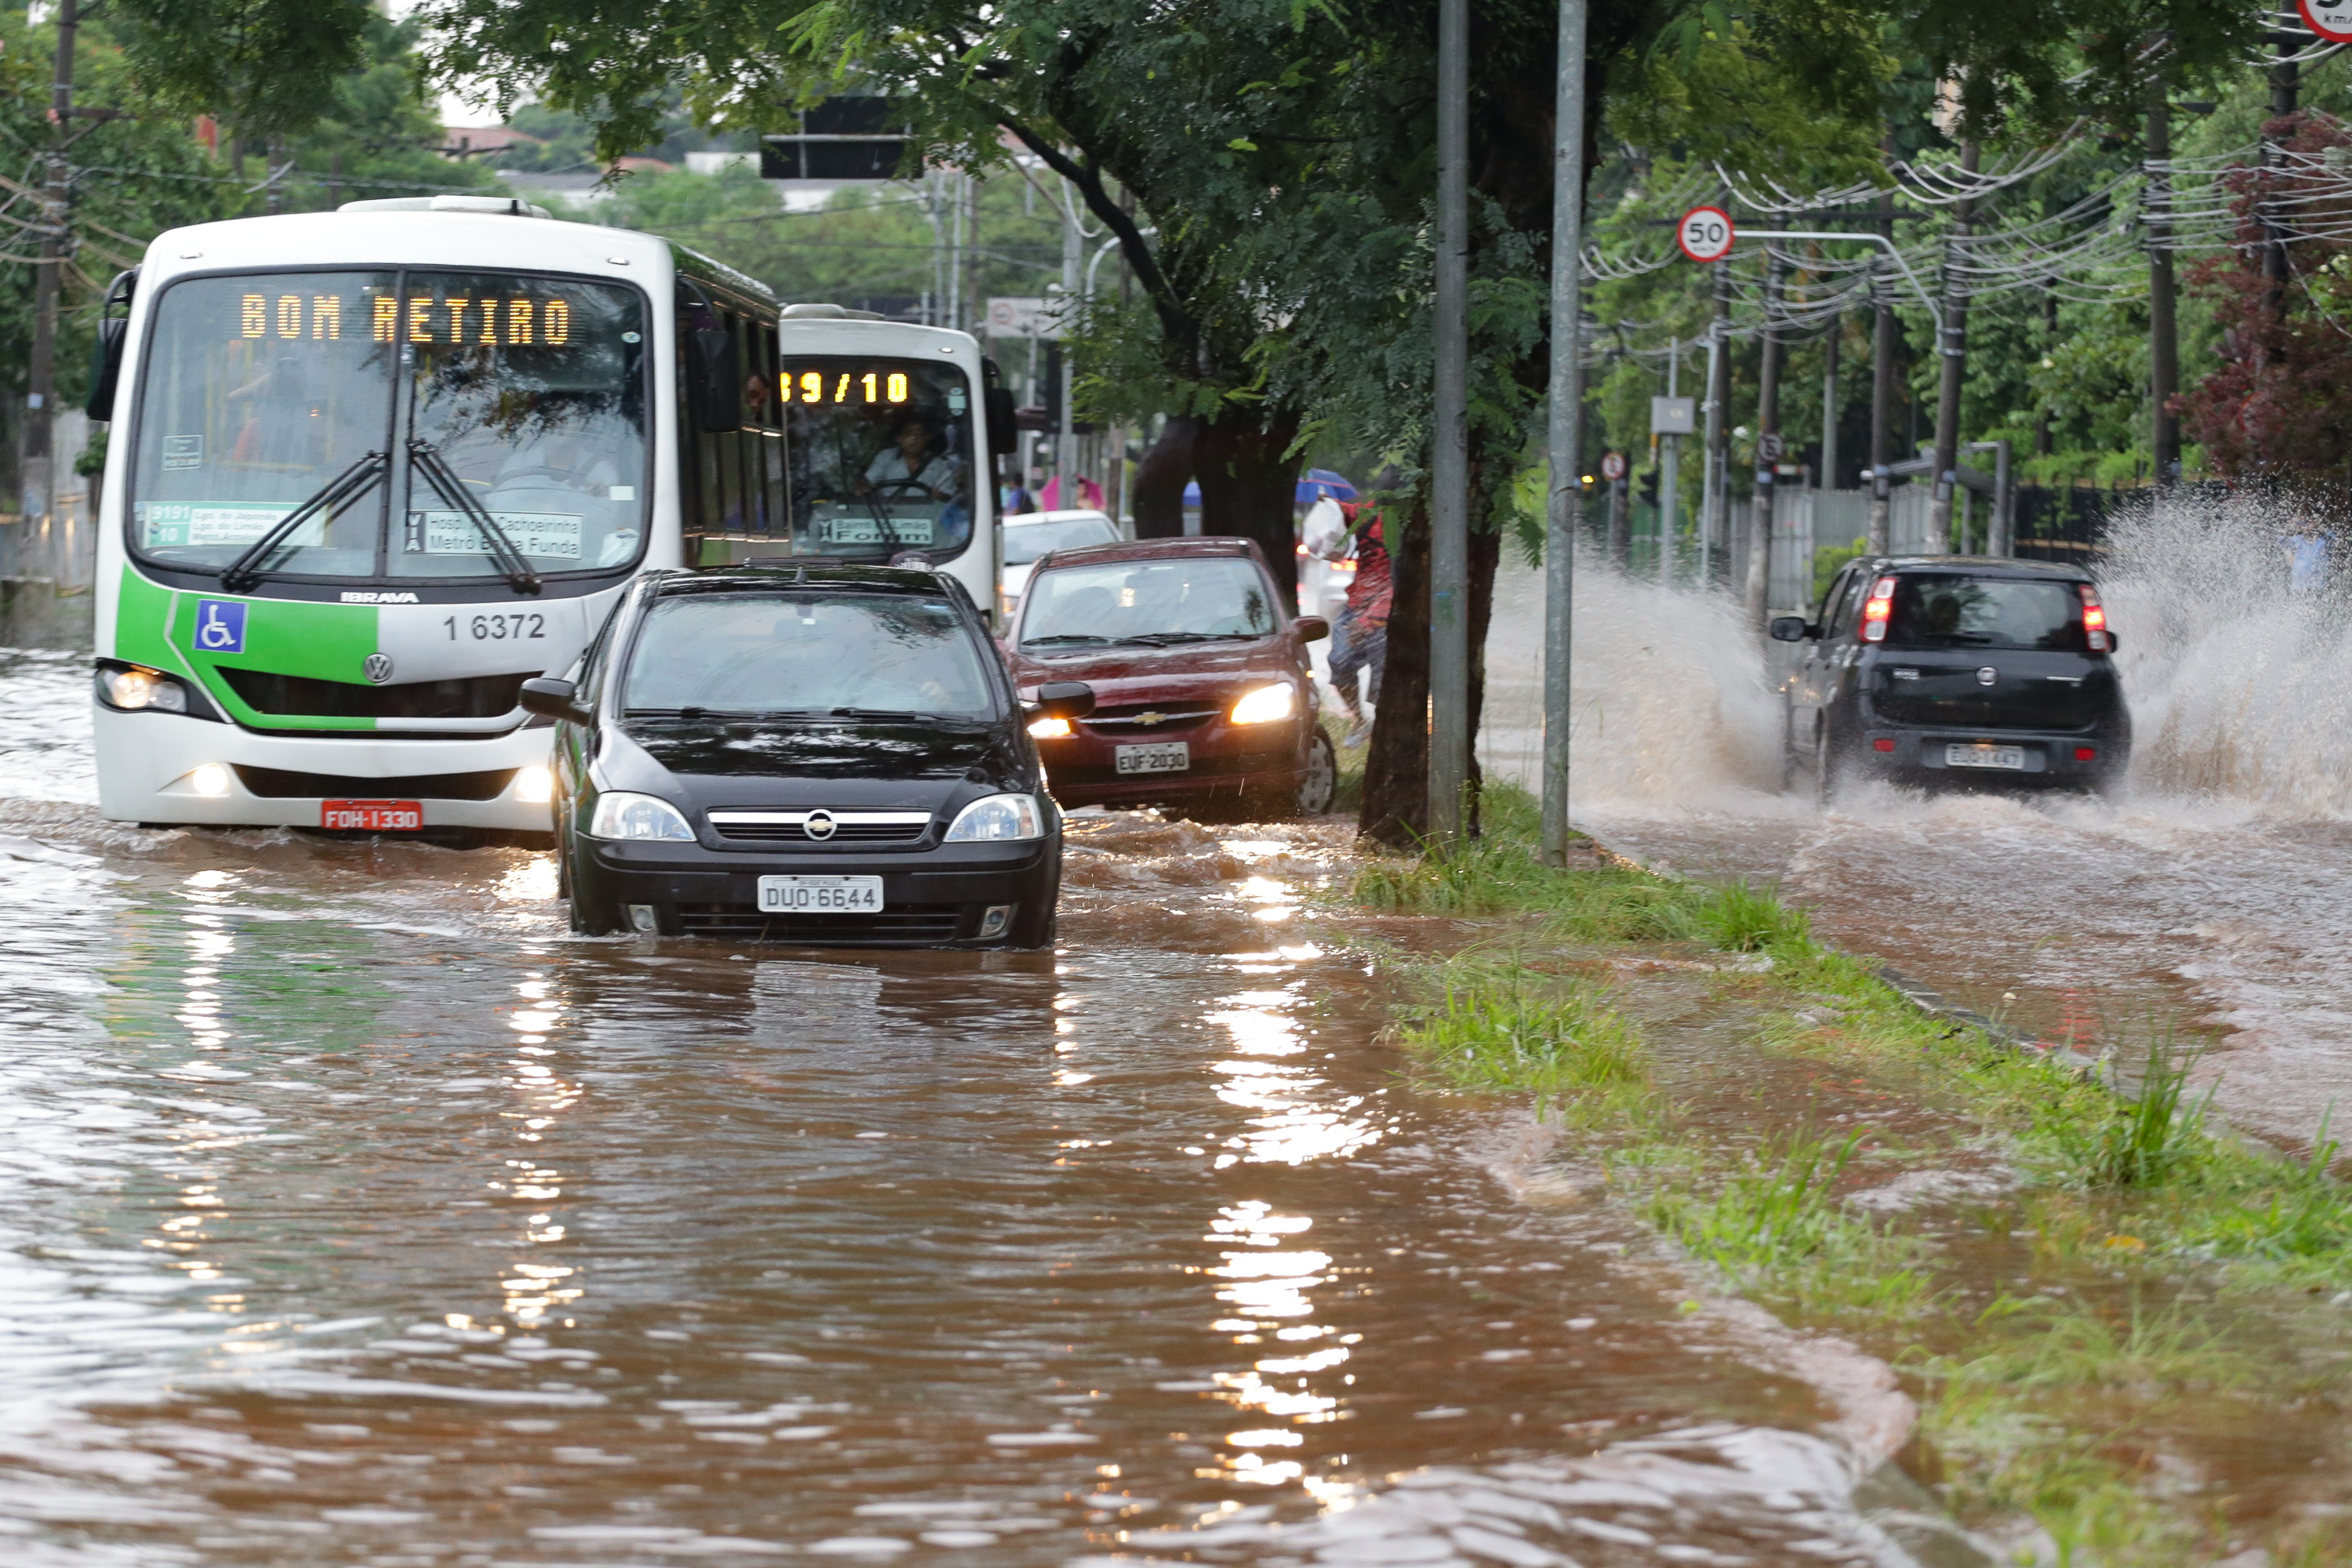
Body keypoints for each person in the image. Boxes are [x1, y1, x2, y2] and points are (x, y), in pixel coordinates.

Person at [1322, 497, 1393, 747]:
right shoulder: (1371, 511)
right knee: (1338, 662)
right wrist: (1334, 506)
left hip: (1390, 614)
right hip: (1358, 602)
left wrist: (1369, 620)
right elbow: (1350, 512)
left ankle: (1387, 732)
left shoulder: (1416, 528)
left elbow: (1401, 584)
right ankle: (1360, 721)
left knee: (1385, 679)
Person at [862, 416, 963, 501]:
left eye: (919, 434)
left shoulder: (938, 464)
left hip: (926, 517)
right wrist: (863, 489)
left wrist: (940, 496)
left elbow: (951, 497)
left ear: (927, 439)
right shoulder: (885, 457)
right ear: (900, 438)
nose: (914, 438)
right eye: (909, 434)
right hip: (888, 515)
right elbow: (868, 484)